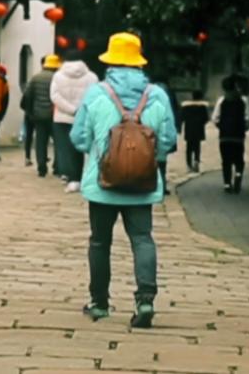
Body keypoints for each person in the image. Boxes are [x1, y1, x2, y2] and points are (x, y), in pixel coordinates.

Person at [70, 32, 177, 327]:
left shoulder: (96, 93)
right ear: (139, 62)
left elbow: (78, 138)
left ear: (111, 61)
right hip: (143, 184)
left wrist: (101, 147)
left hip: (103, 184)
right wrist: (144, 155)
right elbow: (168, 141)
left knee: (100, 242)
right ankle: (145, 301)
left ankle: (100, 303)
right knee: (142, 239)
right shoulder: (157, 95)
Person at [51, 50, 98, 193]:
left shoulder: (58, 75)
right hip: (84, 117)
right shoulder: (91, 77)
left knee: (64, 147)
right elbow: (94, 96)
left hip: (62, 117)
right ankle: (79, 177)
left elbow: (54, 95)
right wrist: (80, 111)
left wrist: (70, 109)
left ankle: (69, 177)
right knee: (79, 148)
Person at [19, 54, 60, 178]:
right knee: (58, 142)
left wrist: (30, 112)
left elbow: (28, 96)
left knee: (41, 142)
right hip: (54, 115)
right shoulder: (58, 78)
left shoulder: (35, 78)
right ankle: (57, 166)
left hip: (38, 115)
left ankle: (41, 168)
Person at [213, 76, 249, 193]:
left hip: (224, 137)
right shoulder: (243, 100)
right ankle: (238, 176)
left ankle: (227, 184)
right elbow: (248, 117)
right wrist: (244, 128)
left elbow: (215, 118)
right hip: (238, 137)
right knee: (239, 160)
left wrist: (221, 126)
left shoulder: (221, 101)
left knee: (226, 161)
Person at [179, 90, 211, 173]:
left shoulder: (186, 106)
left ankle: (189, 165)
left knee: (189, 147)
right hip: (199, 129)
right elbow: (206, 118)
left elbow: (182, 117)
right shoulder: (202, 106)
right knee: (197, 147)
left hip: (189, 128)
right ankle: (196, 162)